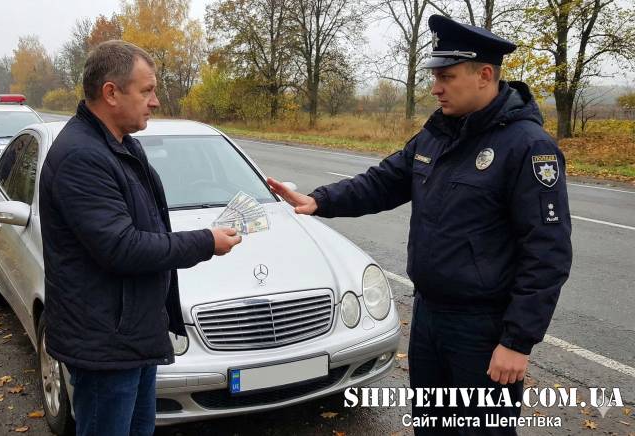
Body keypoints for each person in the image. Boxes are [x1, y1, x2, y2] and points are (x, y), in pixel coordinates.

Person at [267, 15, 572, 435]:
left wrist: (517, 342)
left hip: (482, 332)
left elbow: (548, 253)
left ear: (485, 75)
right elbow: (384, 181)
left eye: (446, 76)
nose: (435, 87)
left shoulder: (527, 146)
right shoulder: (438, 134)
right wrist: (320, 200)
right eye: (434, 76)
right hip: (430, 319)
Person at [38, 40, 242, 436]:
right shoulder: (82, 156)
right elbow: (122, 247)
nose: (156, 102)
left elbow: (147, 227)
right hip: (106, 346)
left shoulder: (119, 145)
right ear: (111, 93)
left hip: (131, 334)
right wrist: (205, 241)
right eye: (147, 90)